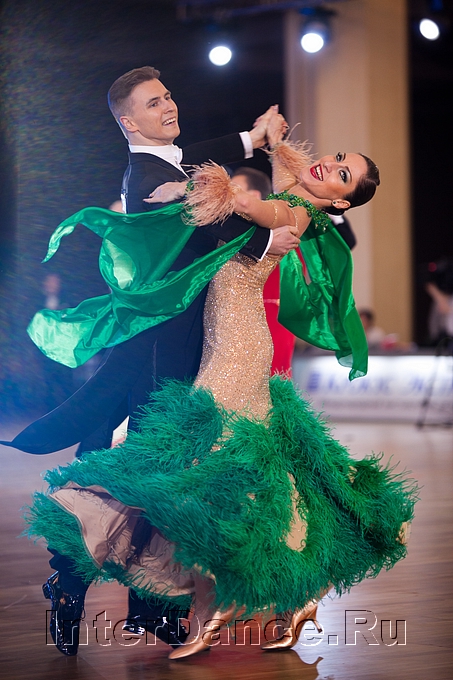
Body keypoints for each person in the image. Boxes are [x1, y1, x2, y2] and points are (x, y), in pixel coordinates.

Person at [24, 124, 416, 661]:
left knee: (210, 466)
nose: (330, 163)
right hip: (218, 339)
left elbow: (250, 208)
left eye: (342, 173)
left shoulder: (293, 213)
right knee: (243, 469)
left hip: (237, 346)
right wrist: (264, 139)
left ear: (342, 200)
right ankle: (290, 592)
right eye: (338, 155)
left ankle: (220, 598)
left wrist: (192, 189)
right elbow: (278, 173)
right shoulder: (295, 195)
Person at [2, 67, 299, 653]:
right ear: (128, 121)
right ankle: (73, 582)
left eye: (168, 95)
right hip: (156, 356)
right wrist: (267, 240)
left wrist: (252, 137)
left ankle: (145, 603)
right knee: (128, 474)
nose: (168, 105)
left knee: (152, 475)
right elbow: (204, 228)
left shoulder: (167, 163)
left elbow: (198, 156)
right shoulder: (147, 179)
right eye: (153, 102)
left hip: (172, 349)